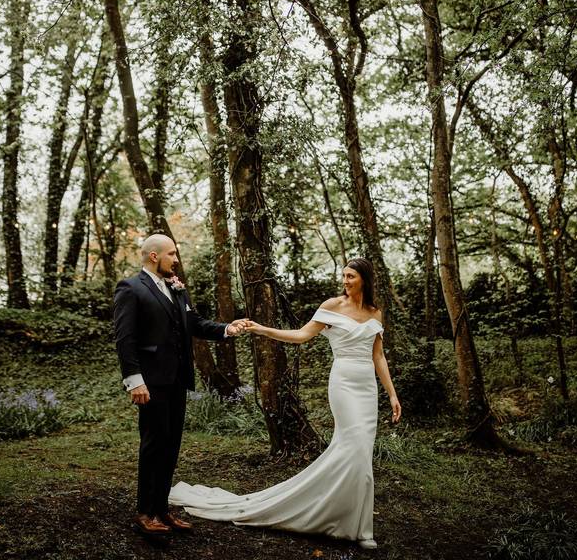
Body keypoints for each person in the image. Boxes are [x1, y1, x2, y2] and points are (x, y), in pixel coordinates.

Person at [169, 257, 401, 550]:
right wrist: (261, 329)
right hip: (343, 383)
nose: (345, 281)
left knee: (360, 453)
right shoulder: (331, 306)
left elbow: (378, 356)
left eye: (351, 276)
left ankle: (355, 522)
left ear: (364, 279)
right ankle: (344, 521)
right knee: (352, 445)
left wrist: (391, 394)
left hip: (367, 387)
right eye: (343, 275)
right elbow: (301, 336)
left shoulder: (374, 313)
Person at [113, 233, 247, 536]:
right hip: (150, 383)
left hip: (177, 381)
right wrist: (135, 381)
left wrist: (227, 328)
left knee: (171, 446)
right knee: (153, 446)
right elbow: (125, 339)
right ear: (153, 256)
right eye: (172, 254)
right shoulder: (131, 288)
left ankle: (161, 509)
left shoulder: (176, 288)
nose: (176, 259)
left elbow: (195, 323)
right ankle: (145, 512)